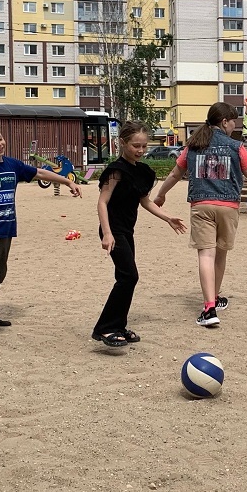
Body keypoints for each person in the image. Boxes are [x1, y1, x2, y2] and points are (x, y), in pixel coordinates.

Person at [153, 102, 247, 328]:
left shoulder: (193, 146)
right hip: (228, 206)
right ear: (224, 122)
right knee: (220, 255)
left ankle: (209, 307)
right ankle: (215, 298)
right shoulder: (236, 147)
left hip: (202, 205)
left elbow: (174, 174)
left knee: (205, 255)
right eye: (233, 122)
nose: (234, 126)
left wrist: (161, 195)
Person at [0, 119, 82, 346]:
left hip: (6, 228)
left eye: (0, 138)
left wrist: (67, 182)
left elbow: (40, 172)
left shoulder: (12, 164)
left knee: (1, 272)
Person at [93, 121, 186, 348]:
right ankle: (105, 328)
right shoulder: (116, 171)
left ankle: (118, 326)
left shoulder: (141, 171)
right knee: (129, 276)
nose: (141, 150)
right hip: (113, 230)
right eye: (136, 145)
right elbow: (102, 202)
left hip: (127, 230)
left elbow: (145, 201)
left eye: (144, 146)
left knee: (125, 278)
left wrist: (167, 218)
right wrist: (107, 233)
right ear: (123, 143)